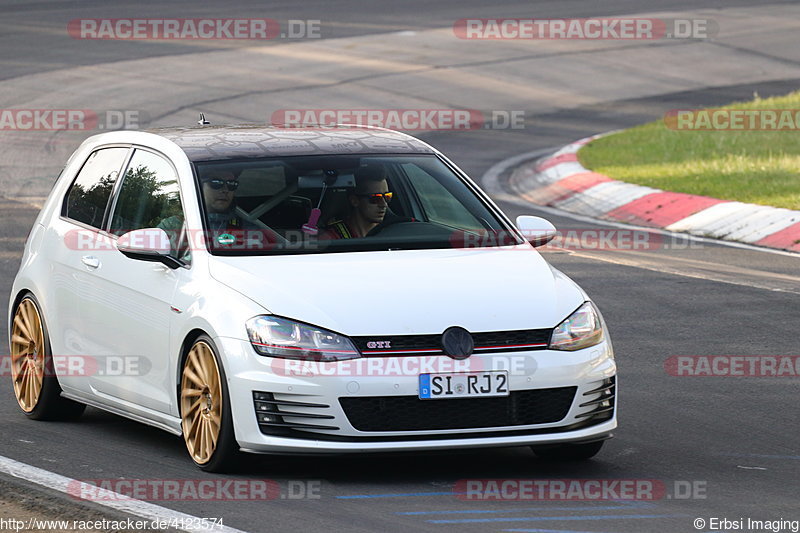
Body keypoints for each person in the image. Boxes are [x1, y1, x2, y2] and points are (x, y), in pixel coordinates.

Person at [321, 165, 392, 239]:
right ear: (354, 201)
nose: (384, 204)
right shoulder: (333, 238)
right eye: (376, 198)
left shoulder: (392, 234)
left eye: (387, 196)